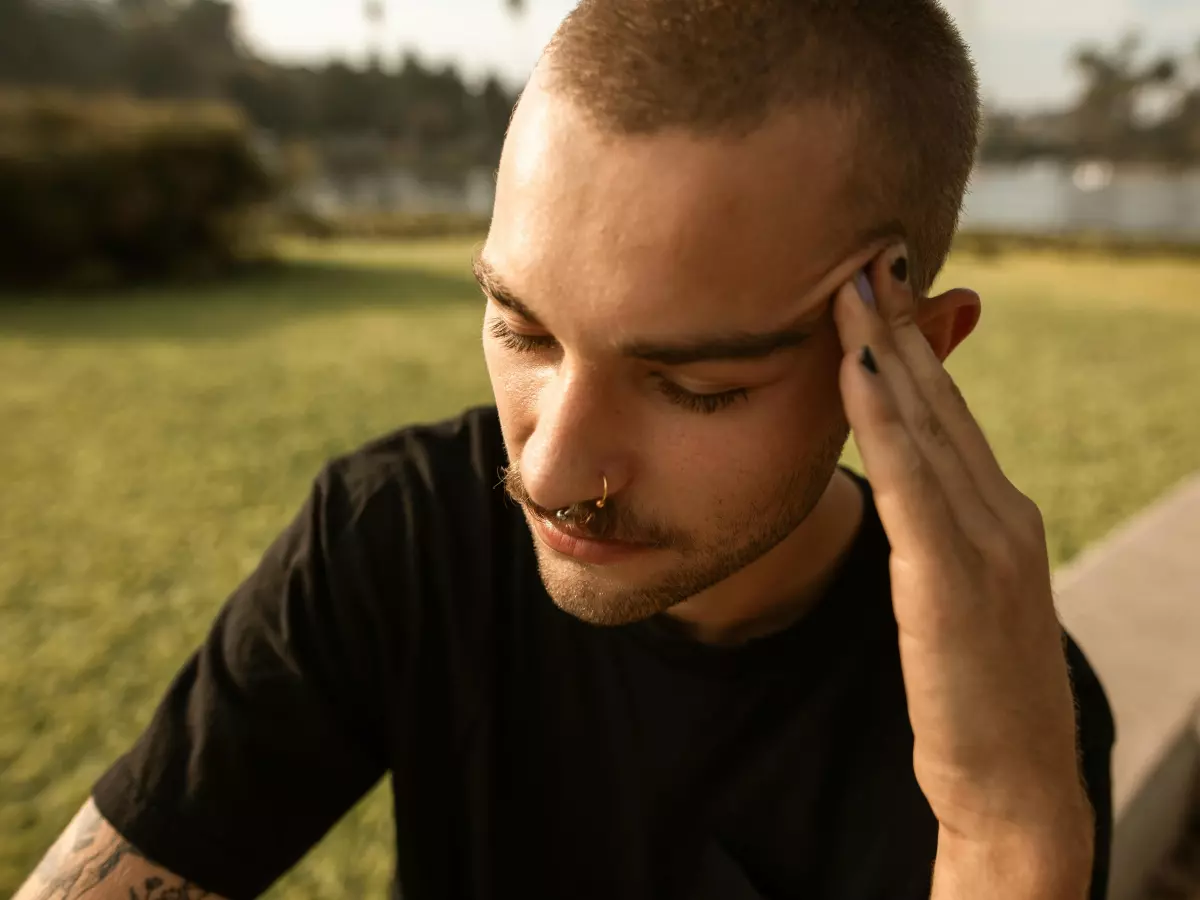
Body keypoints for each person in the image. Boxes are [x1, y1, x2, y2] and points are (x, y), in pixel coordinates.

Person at [15, 1, 1115, 899]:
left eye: (695, 387)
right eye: (521, 328)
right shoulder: (399, 535)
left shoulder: (1002, 710)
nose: (543, 475)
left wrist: (1009, 835)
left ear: (913, 353)